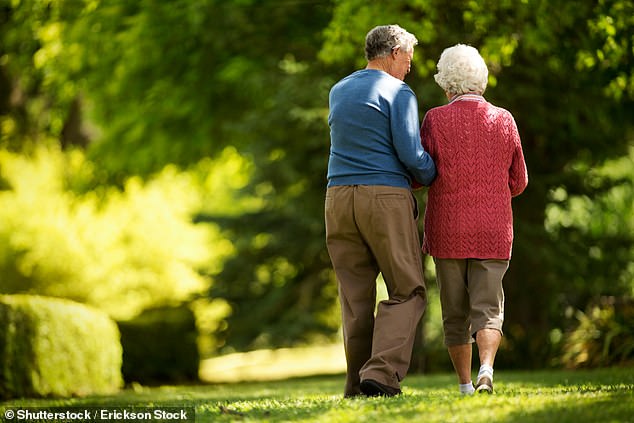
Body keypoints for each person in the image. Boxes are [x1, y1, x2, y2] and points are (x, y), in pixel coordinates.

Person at [325, 24, 436, 398]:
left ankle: (357, 384)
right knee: (408, 289)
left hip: (338, 198)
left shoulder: (338, 90)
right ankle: (382, 373)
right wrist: (432, 171)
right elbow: (410, 153)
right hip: (384, 198)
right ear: (392, 53)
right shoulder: (399, 92)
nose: (410, 66)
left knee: (354, 296)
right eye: (408, 57)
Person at [420, 44, 528, 394]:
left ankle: (465, 386)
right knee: (488, 308)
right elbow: (519, 181)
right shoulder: (504, 119)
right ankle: (486, 370)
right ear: (481, 80)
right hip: (494, 229)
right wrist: (491, 195)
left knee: (455, 313)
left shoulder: (435, 119)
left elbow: (423, 172)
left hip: (448, 228)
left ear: (446, 83)